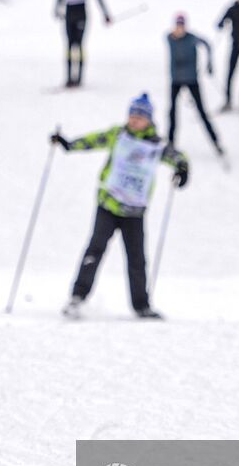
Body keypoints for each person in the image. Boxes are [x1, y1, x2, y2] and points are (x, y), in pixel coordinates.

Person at [54, 94, 189, 320]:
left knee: (137, 259)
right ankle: (77, 297)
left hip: (134, 210)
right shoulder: (119, 135)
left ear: (148, 120)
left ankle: (141, 305)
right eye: (132, 115)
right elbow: (93, 140)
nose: (134, 120)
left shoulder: (156, 145)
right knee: (95, 249)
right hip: (109, 203)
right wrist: (68, 144)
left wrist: (183, 170)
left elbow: (178, 158)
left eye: (139, 117)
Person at [55, 0, 112, 88]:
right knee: (69, 46)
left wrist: (105, 13)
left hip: (81, 13)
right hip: (69, 13)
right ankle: (69, 78)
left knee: (79, 46)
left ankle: (79, 78)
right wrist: (57, 9)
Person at [166, 14, 223, 154]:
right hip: (176, 80)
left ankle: (215, 141)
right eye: (178, 26)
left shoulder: (192, 38)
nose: (180, 29)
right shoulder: (169, 38)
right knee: (172, 112)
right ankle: (170, 142)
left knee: (202, 112)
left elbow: (207, 45)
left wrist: (209, 64)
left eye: (182, 25)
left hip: (191, 79)